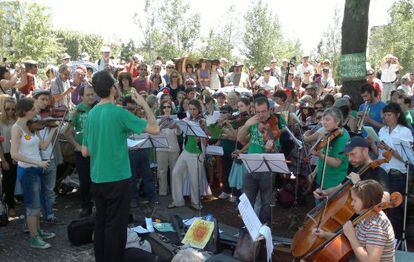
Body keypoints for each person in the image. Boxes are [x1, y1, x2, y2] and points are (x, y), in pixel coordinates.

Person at [81, 71, 159, 262]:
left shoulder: (91, 114)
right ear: (111, 88)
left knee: (101, 223)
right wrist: (144, 104)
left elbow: (85, 151)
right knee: (116, 227)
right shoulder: (119, 112)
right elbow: (155, 129)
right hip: (117, 177)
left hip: (97, 177)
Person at [11, 98, 57, 249]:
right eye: (32, 109)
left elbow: (43, 146)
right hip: (28, 171)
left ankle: (38, 231)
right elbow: (14, 154)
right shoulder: (17, 128)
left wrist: (52, 131)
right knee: (33, 207)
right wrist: (37, 162)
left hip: (37, 169)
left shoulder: (30, 126)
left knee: (36, 205)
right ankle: (34, 238)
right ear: (24, 111)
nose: (35, 111)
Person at [315, 180, 395, 261]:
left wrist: (351, 235)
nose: (352, 203)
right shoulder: (364, 217)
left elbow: (371, 260)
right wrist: (325, 234)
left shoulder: (377, 226)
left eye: (354, 200)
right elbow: (349, 242)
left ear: (366, 201)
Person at [237, 96, 286, 225]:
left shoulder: (274, 123)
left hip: (266, 168)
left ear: (269, 110)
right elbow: (241, 139)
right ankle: (247, 227)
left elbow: (276, 149)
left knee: (265, 202)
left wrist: (269, 148)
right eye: (258, 112)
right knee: (247, 200)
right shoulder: (252, 122)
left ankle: (264, 229)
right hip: (251, 164)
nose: (260, 115)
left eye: (263, 111)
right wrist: (247, 125)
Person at [372, 102, 413, 240]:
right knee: (382, 205)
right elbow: (378, 153)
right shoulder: (383, 130)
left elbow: (407, 158)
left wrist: (389, 149)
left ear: (398, 115)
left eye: (389, 115)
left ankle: (395, 239)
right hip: (383, 171)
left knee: (395, 207)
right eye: (385, 115)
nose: (386, 118)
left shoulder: (405, 131)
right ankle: (383, 236)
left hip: (397, 173)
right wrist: (373, 143)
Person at [314, 136, 390, 202]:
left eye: (353, 154)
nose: (350, 159)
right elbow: (339, 187)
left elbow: (384, 200)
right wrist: (324, 192)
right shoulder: (355, 169)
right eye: (348, 155)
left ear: (365, 151)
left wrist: (359, 185)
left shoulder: (379, 173)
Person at [168, 99, 210, 210]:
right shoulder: (186, 119)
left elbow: (206, 134)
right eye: (190, 109)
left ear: (199, 109)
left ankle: (195, 203)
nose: (192, 111)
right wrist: (175, 123)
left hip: (197, 153)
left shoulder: (202, 120)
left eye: (194, 109)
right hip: (186, 151)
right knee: (176, 172)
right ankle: (178, 201)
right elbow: (177, 129)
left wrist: (201, 133)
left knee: (195, 179)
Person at [33, 90, 64, 225]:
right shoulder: (31, 116)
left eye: (47, 100)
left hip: (49, 158)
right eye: (42, 99)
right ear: (35, 99)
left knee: (49, 190)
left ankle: (49, 215)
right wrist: (52, 129)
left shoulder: (47, 115)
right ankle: (36, 218)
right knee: (37, 191)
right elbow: (42, 145)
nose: (46, 103)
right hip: (37, 159)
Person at [67, 85, 96, 217]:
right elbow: (67, 132)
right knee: (84, 181)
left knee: (98, 180)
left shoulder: (98, 108)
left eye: (92, 94)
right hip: (82, 152)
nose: (91, 97)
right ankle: (86, 206)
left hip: (98, 151)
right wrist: (77, 145)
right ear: (82, 96)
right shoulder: (77, 110)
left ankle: (99, 205)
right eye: (88, 95)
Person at [310, 107, 350, 192]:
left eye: (327, 120)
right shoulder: (328, 133)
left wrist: (320, 155)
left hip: (333, 183)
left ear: (337, 121)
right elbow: (323, 155)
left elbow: (337, 163)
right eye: (323, 120)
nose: (323, 122)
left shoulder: (342, 137)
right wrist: (314, 172)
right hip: (321, 179)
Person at [156, 100, 180, 196]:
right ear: (161, 109)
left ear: (171, 108)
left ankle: (175, 192)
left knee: (174, 171)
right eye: (164, 107)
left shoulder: (175, 119)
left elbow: (179, 133)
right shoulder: (158, 119)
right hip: (161, 148)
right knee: (161, 171)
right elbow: (155, 132)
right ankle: (163, 192)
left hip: (174, 148)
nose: (167, 109)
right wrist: (161, 123)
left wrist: (176, 126)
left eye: (168, 107)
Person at [0, 97, 17, 216]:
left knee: (17, 180)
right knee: (8, 181)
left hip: (17, 154)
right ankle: (10, 205)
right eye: (7, 109)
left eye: (13, 109)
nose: (10, 111)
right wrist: (3, 160)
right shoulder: (1, 122)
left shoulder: (18, 121)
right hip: (6, 154)